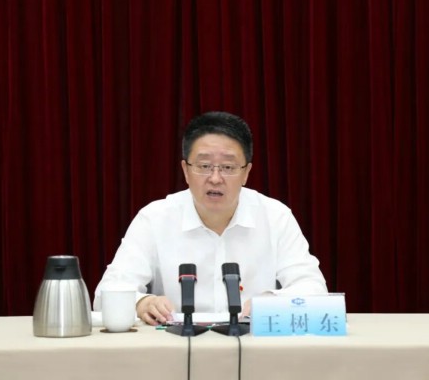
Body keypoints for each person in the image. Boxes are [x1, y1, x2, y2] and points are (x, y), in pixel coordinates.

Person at [93, 111, 327, 325]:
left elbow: (314, 289)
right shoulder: (155, 218)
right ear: (185, 170)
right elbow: (107, 293)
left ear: (246, 172)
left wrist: (271, 303)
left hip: (255, 346)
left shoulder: (275, 217)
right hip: (177, 348)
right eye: (204, 166)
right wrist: (142, 303)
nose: (215, 178)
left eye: (228, 167)